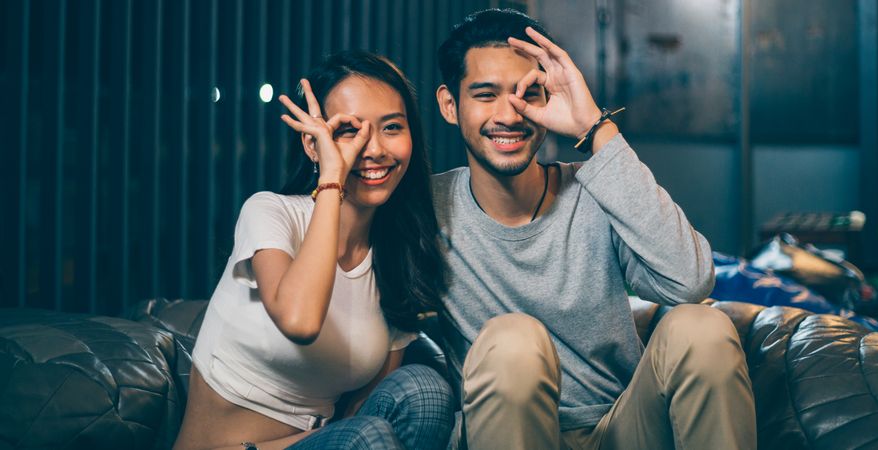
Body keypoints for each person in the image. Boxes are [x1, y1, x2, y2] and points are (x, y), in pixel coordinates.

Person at [431, 9, 756, 449]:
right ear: (450, 105)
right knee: (513, 339)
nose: (510, 114)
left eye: (528, 93)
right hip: (510, 432)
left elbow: (690, 281)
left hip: (623, 428)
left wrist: (595, 129)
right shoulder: (424, 209)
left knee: (702, 326)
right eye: (485, 95)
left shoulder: (594, 188)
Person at [174, 51, 453, 450]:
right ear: (313, 144)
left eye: (392, 127)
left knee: (425, 390)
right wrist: (332, 178)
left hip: (325, 440)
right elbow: (300, 320)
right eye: (349, 131)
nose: (373, 149)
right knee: (368, 438)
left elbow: (365, 411)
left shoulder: (396, 255)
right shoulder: (269, 213)